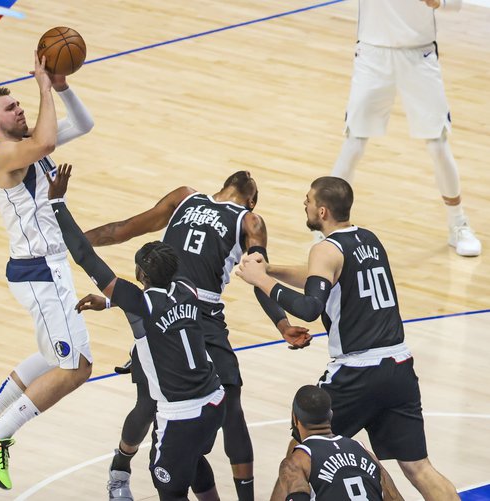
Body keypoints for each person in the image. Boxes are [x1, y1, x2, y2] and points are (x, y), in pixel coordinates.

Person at [82, 171, 311, 501]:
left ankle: (130, 469)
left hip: (197, 311)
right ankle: (121, 467)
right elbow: (258, 277)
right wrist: (282, 323)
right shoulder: (246, 218)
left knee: (221, 406)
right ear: (252, 199)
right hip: (164, 307)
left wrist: (74, 240)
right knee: (153, 405)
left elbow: (121, 231)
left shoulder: (190, 198)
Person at [237, 176, 459, 501]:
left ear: (322, 211)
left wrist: (261, 281)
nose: (305, 204)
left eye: (308, 200)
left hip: (357, 371)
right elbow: (321, 276)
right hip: (398, 364)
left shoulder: (325, 249)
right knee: (418, 467)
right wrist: (272, 269)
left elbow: (310, 306)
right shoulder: (369, 238)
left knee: (299, 453)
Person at [0, 52, 95, 490]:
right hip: (38, 273)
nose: (19, 109)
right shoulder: (1, 156)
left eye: (19, 104)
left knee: (59, 357)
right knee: (76, 367)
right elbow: (49, 144)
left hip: (47, 269)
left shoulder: (28, 143)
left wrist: (62, 85)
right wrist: (42, 87)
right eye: (10, 107)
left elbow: (84, 125)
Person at [49, 163, 226, 501]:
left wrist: (58, 203)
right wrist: (110, 301)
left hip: (180, 413)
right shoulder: (187, 288)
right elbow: (157, 307)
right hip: (215, 401)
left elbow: (85, 255)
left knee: (169, 487)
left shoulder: (140, 304)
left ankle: (122, 472)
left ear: (140, 275)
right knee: (194, 459)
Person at [329, 0, 481, 257]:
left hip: (419, 56)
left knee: (438, 145)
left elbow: (456, 3)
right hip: (372, 54)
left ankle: (458, 223)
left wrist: (440, 2)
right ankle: (328, 230)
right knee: (354, 144)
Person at [270, 385, 403, 501]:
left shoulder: (298, 461)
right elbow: (395, 497)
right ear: (331, 415)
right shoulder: (365, 452)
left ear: (295, 418)